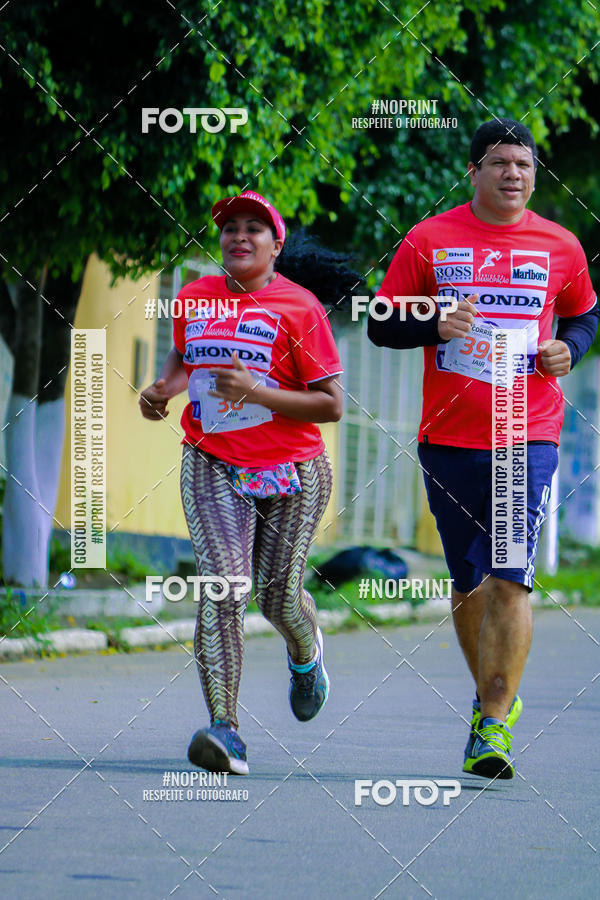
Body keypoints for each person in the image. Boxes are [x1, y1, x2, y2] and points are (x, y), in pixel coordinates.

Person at [368, 119, 598, 779]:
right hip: (447, 437)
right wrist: (430, 321)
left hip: (527, 432)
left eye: (523, 165)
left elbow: (586, 313)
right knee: (468, 585)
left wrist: (570, 349)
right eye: (499, 163)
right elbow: (381, 319)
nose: (513, 175)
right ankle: (490, 700)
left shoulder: (560, 245)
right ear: (473, 172)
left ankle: (494, 723)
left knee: (508, 574)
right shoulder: (430, 239)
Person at [140, 191, 361, 775]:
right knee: (223, 586)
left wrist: (257, 394)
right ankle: (226, 731)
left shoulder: (300, 308)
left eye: (253, 229)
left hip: (295, 470)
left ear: (275, 244)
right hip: (212, 461)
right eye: (230, 228)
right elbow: (186, 360)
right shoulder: (192, 300)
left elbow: (332, 405)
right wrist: (162, 391)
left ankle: (306, 652)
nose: (240, 237)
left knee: (277, 596)